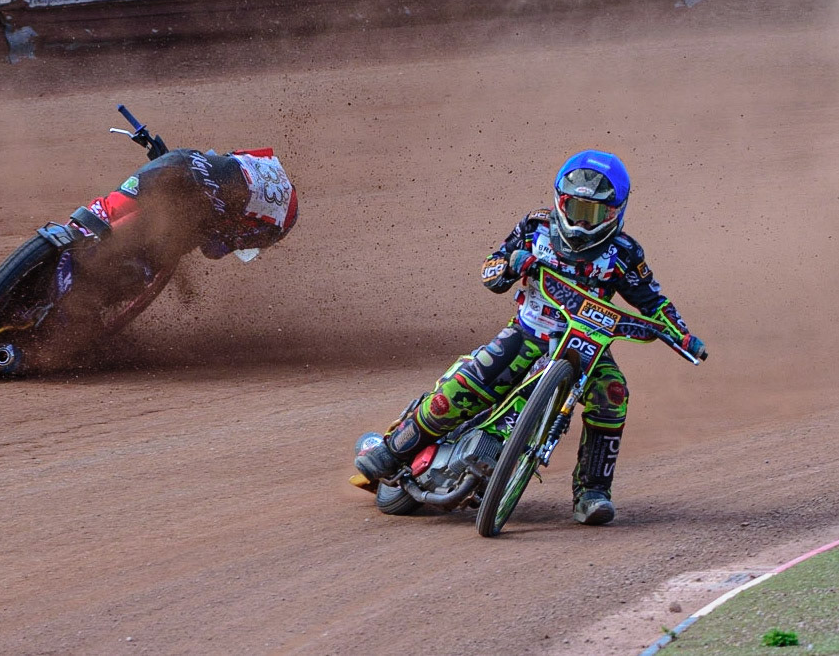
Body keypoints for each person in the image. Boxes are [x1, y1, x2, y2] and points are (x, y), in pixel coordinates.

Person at [354, 150, 706, 525]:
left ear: (616, 212)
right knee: (467, 384)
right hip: (528, 332)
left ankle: (592, 493)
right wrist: (509, 264)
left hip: (589, 347)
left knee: (613, 394)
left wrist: (682, 335)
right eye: (576, 209)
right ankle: (391, 452)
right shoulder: (535, 226)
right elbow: (491, 269)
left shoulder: (624, 254)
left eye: (596, 214)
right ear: (560, 200)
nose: (584, 222)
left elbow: (653, 299)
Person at [72, 145, 298, 270]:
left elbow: (219, 160)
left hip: (180, 160)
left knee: (104, 211)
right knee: (148, 262)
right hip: (196, 208)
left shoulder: (262, 163)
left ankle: (71, 236)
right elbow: (213, 251)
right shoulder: (272, 226)